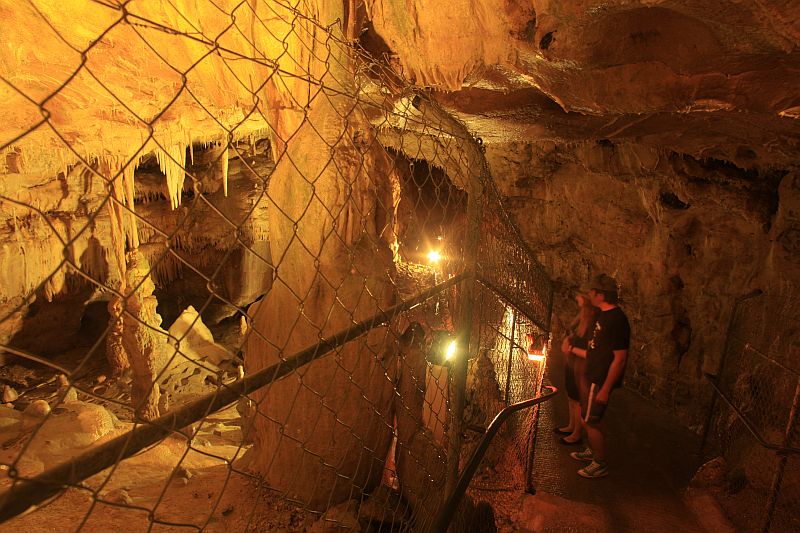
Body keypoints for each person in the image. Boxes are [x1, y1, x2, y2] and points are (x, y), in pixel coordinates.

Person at [565, 273, 630, 478]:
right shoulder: (603, 315)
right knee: (588, 416)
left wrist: (606, 389)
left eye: (593, 291)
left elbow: (620, 358)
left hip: (600, 379)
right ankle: (593, 450)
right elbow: (595, 351)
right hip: (593, 374)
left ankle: (599, 462)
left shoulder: (618, 320)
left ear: (601, 295)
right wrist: (573, 350)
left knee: (590, 421)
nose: (589, 294)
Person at [555, 294, 597, 445]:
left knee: (577, 398)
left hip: (580, 364)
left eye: (580, 298)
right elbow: (572, 332)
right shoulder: (582, 319)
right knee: (571, 395)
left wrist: (571, 347)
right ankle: (571, 426)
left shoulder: (592, 322)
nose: (577, 299)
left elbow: (590, 348)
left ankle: (576, 434)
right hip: (572, 360)